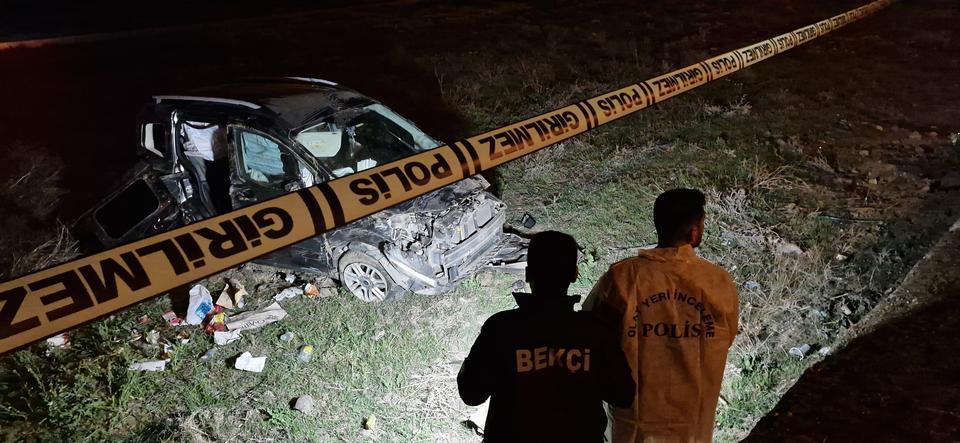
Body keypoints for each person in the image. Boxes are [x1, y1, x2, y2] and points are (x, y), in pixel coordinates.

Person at [583, 188, 739, 443]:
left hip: (634, 420)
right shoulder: (718, 282)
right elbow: (727, 337)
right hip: (692, 421)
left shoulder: (622, 277)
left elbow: (591, 332)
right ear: (694, 232)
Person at [457, 231, 635, 442]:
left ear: (527, 274)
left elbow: (471, 394)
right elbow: (623, 395)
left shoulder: (500, 329)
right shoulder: (596, 332)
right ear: (574, 274)